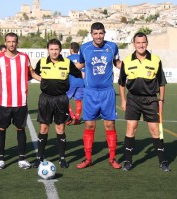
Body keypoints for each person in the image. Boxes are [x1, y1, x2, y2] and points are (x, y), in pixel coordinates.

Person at [118, 32, 170, 172]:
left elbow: (161, 83)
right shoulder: (127, 61)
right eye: (138, 42)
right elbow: (122, 83)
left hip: (151, 99)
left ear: (147, 43)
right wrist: (123, 100)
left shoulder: (156, 60)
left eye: (143, 42)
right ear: (133, 44)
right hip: (133, 99)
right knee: (131, 129)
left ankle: (163, 161)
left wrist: (161, 100)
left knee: (155, 130)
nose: (141, 45)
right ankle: (128, 161)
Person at [76, 22, 122, 169]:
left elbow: (118, 63)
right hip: (90, 93)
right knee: (89, 124)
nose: (98, 36)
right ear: (91, 34)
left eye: (101, 33)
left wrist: (133, 64)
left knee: (109, 125)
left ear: (104, 33)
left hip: (107, 92)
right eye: (95, 33)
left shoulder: (112, 47)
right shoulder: (84, 48)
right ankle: (88, 158)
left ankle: (112, 158)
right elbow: (80, 65)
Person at [0, 33, 39, 169]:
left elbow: (33, 73)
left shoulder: (24, 58)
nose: (11, 44)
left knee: (20, 129)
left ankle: (22, 159)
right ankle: (1, 158)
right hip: (3, 102)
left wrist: (48, 80)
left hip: (20, 101)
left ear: (17, 43)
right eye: (9, 41)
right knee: (1, 129)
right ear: (5, 43)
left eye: (14, 41)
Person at [32, 38, 82, 168]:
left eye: (56, 49)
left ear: (60, 50)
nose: (54, 52)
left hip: (61, 99)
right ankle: (39, 157)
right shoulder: (42, 62)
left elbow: (79, 73)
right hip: (45, 99)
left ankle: (62, 158)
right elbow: (34, 74)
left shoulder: (67, 62)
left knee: (60, 128)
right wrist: (43, 80)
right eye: (51, 49)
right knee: (43, 128)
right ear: (48, 50)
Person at [66, 42, 85, 125]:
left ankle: (71, 117)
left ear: (71, 49)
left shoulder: (67, 59)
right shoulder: (82, 59)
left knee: (65, 100)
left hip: (72, 81)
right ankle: (77, 118)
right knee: (78, 100)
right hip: (81, 81)